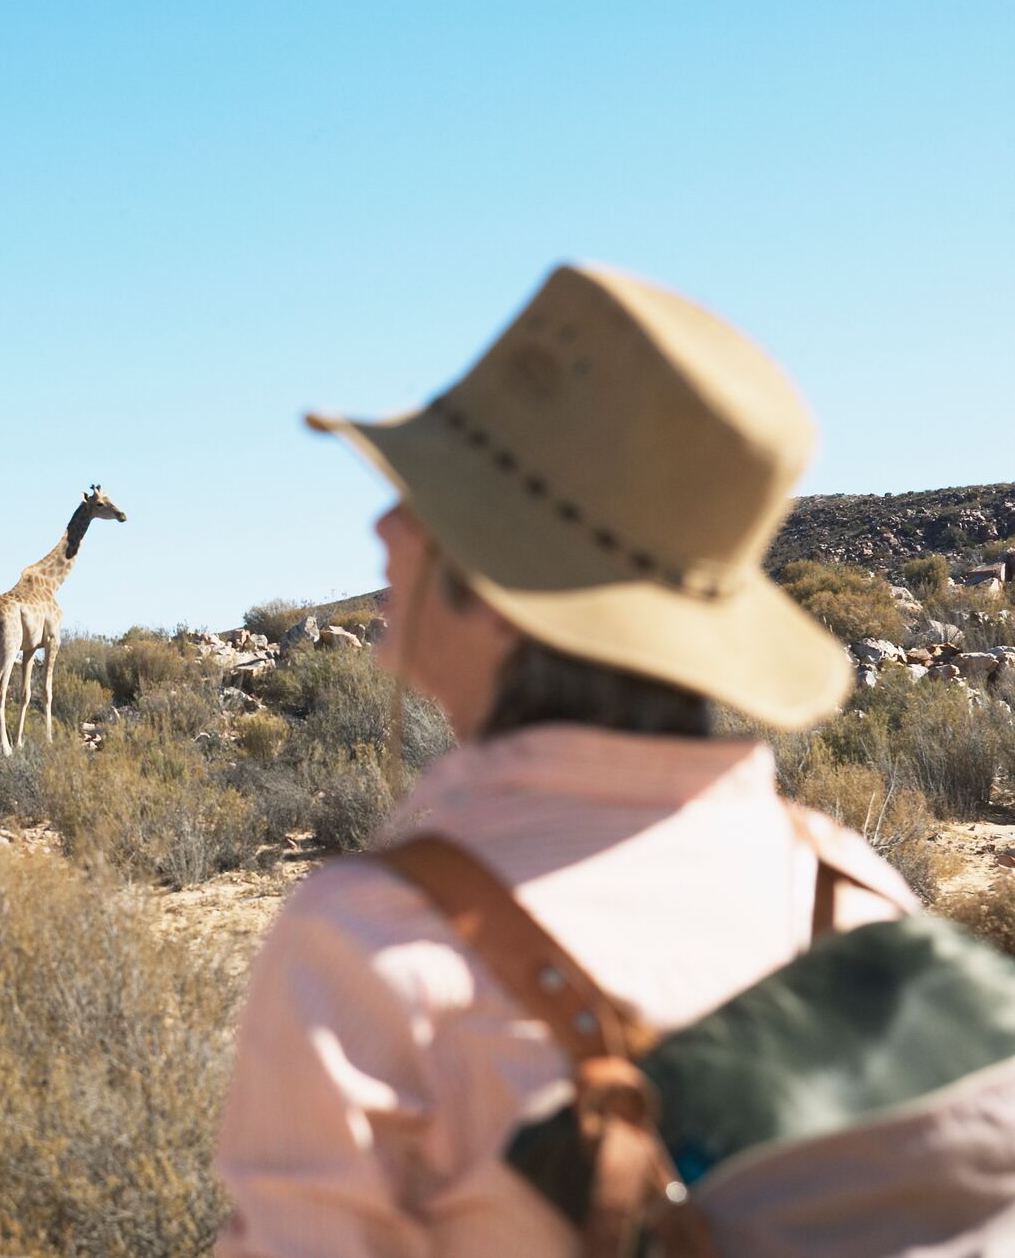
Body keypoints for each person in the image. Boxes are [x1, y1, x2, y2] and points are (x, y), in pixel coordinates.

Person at [214, 263, 920, 1256]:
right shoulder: (859, 896)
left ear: (497, 583)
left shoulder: (367, 948)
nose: (382, 525)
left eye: (431, 501)